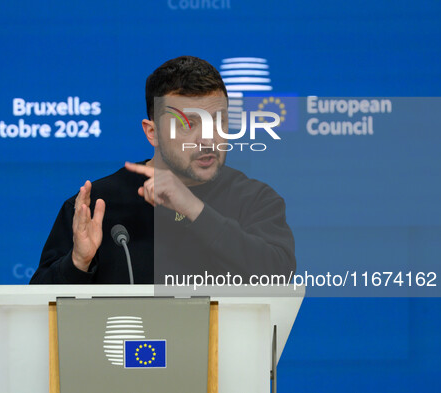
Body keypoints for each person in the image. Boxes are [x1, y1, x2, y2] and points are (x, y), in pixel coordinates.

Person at [30, 56, 295, 285]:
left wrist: (194, 209)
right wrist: (78, 262)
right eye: (188, 124)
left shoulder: (254, 199)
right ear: (152, 132)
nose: (207, 138)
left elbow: (280, 276)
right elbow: (35, 309)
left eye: (218, 121)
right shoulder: (97, 205)